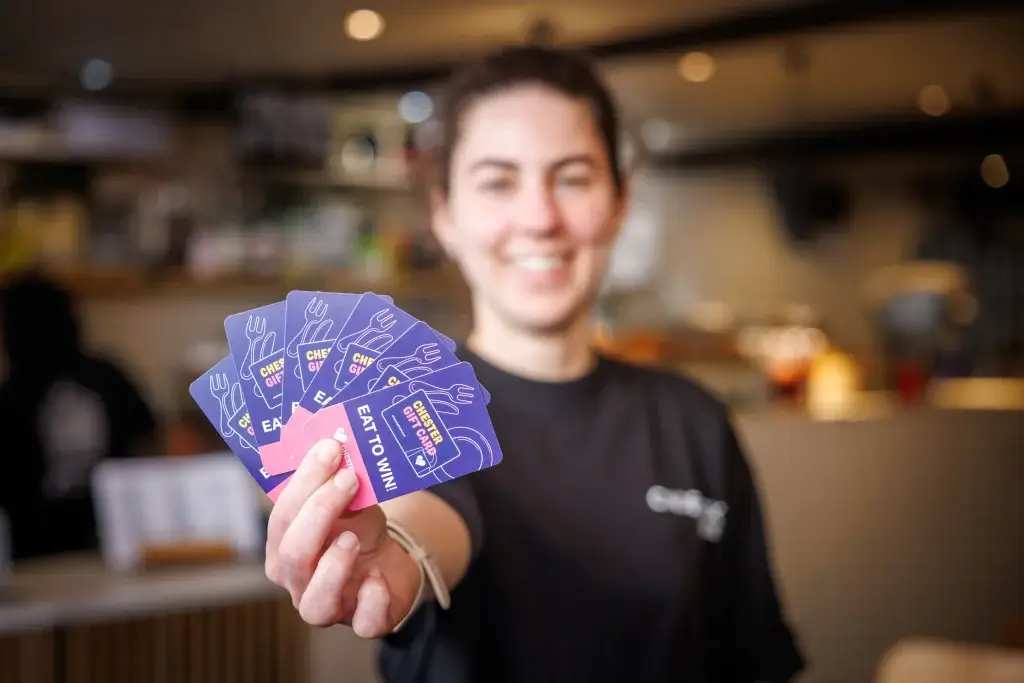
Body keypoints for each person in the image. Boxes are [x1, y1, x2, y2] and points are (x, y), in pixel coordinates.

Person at [265, 45, 805, 683]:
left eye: (572, 177)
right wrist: (395, 554)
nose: (539, 218)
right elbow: (427, 520)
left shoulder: (694, 421)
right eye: (498, 181)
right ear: (445, 216)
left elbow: (749, 661)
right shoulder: (396, 408)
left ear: (619, 201)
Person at [0, 271, 157, 559]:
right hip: (41, 548)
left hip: (112, 535)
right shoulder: (12, 400)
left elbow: (147, 444)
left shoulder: (106, 380)